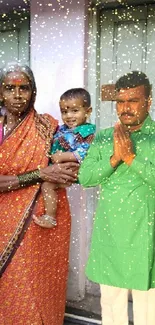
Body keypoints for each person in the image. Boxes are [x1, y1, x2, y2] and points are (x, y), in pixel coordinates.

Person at [0, 62, 78, 325]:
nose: (17, 95)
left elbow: (71, 167)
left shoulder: (48, 127)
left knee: (37, 288)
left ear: (34, 92)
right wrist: (39, 174)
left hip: (39, 224)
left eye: (24, 88)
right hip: (3, 224)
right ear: (1, 93)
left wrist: (69, 170)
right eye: (10, 88)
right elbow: (45, 173)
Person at [79, 71, 155, 325]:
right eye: (121, 102)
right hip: (111, 235)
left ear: (148, 102)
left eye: (133, 100)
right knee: (112, 310)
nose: (125, 108)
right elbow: (85, 177)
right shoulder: (103, 137)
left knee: (148, 312)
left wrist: (132, 159)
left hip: (148, 236)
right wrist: (114, 159)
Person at [33, 88, 96, 228]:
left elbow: (85, 152)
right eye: (64, 112)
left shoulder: (87, 131)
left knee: (47, 185)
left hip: (73, 170)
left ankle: (50, 217)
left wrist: (63, 156)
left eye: (75, 111)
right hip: (58, 167)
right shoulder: (62, 129)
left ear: (88, 111)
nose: (69, 116)